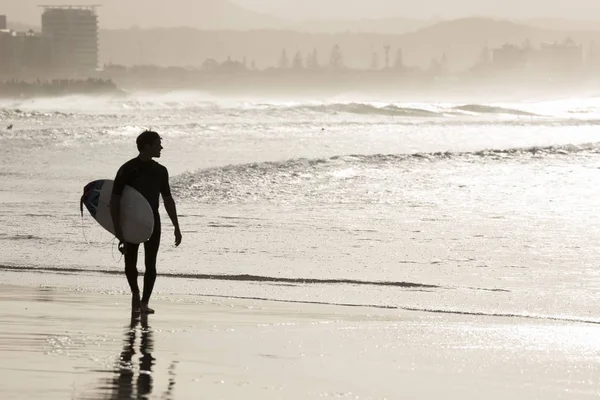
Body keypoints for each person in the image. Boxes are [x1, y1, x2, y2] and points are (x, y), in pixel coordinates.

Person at [111, 130, 182, 314]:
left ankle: (144, 302)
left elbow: (167, 199)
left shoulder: (160, 171)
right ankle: (135, 293)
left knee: (151, 264)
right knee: (130, 262)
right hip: (130, 221)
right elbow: (115, 199)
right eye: (158, 143)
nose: (161, 147)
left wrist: (176, 226)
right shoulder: (127, 169)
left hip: (152, 222)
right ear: (147, 146)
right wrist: (117, 228)